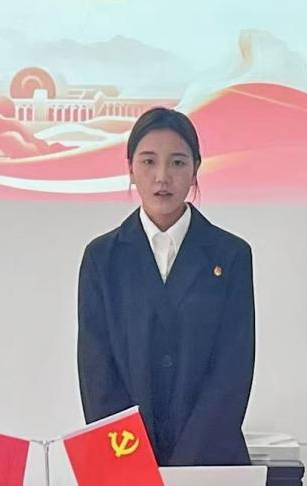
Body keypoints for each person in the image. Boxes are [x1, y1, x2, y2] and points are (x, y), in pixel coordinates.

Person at [77, 107, 255, 467]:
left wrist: (187, 465)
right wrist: (134, 460)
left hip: (209, 461)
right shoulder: (102, 258)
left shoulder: (231, 255)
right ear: (130, 168)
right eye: (148, 162)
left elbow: (232, 370)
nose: (162, 177)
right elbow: (97, 374)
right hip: (126, 460)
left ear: (195, 169)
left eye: (177, 162)